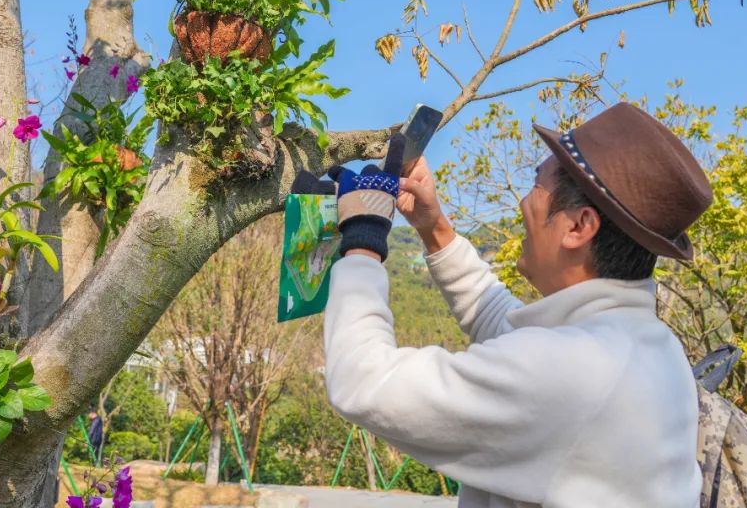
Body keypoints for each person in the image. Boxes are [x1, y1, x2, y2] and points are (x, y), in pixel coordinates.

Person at [301, 102, 712, 507]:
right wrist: (434, 228)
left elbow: (364, 382)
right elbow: (508, 327)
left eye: (537, 183)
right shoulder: (649, 348)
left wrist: (363, 238)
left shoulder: (570, 372)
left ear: (578, 226)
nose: (524, 203)